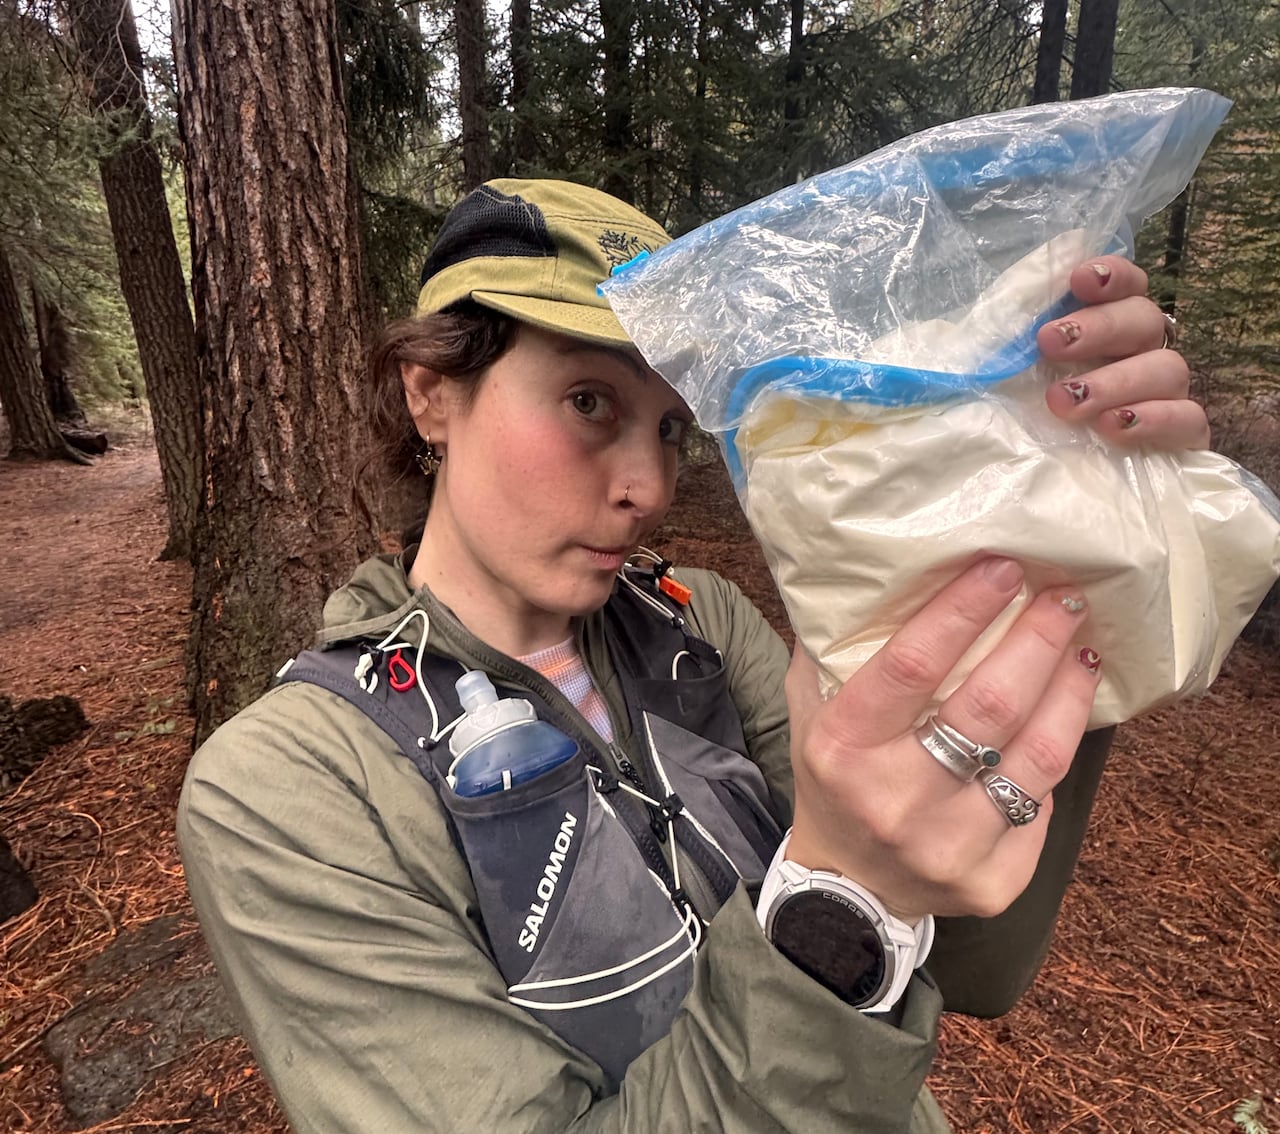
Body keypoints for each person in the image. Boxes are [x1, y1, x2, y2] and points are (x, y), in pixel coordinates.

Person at [178, 178, 1209, 1133]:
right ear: (429, 393)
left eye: (671, 427)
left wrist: (1060, 553)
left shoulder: (697, 626)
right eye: (589, 401)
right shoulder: (292, 789)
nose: (649, 485)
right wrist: (829, 924)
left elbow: (972, 960)